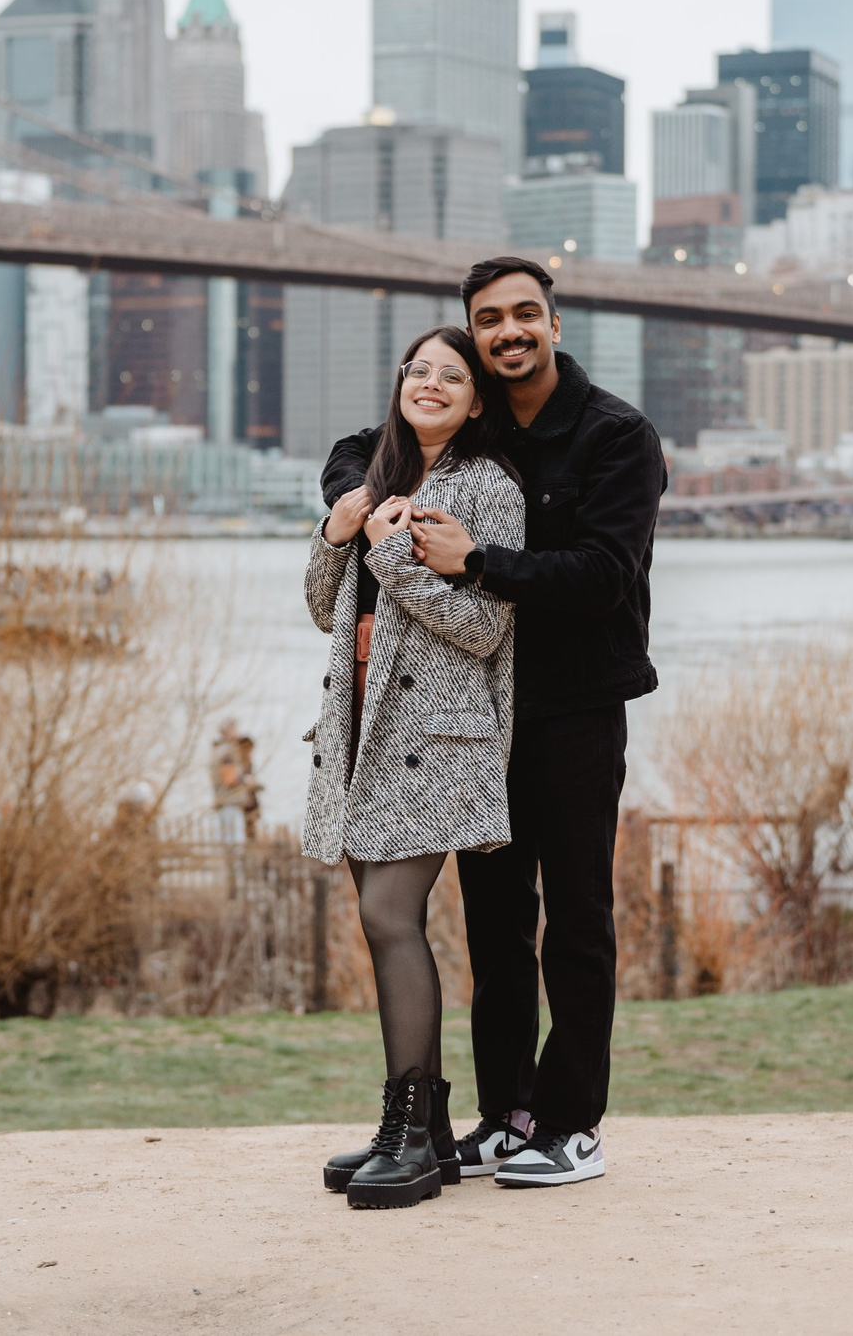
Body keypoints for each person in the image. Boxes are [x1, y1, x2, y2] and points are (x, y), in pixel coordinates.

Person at [321, 257, 664, 1190]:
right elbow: (360, 448)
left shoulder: (617, 435)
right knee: (495, 923)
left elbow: (604, 575)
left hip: (575, 704)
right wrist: (366, 502)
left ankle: (572, 1123)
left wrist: (477, 561)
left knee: (577, 919)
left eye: (524, 314)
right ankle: (506, 1113)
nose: (508, 331)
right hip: (478, 715)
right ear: (473, 336)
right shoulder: (476, 417)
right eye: (489, 319)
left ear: (553, 322)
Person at [304, 324, 525, 1212]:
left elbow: (486, 629)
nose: (431, 384)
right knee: (384, 923)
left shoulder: (489, 487)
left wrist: (393, 554)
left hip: (437, 739)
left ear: (475, 402)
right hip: (362, 727)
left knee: (388, 914)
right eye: (419, 370)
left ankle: (410, 1134)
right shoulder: (378, 476)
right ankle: (421, 1128)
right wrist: (338, 531)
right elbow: (325, 610)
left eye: (452, 376)